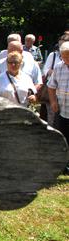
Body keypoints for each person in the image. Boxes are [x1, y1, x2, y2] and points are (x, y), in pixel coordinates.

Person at [47, 41, 69, 174]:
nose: (65, 60)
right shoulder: (59, 67)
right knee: (64, 140)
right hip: (63, 111)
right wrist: (53, 102)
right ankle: (65, 166)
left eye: (68, 57)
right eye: (64, 57)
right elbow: (51, 86)